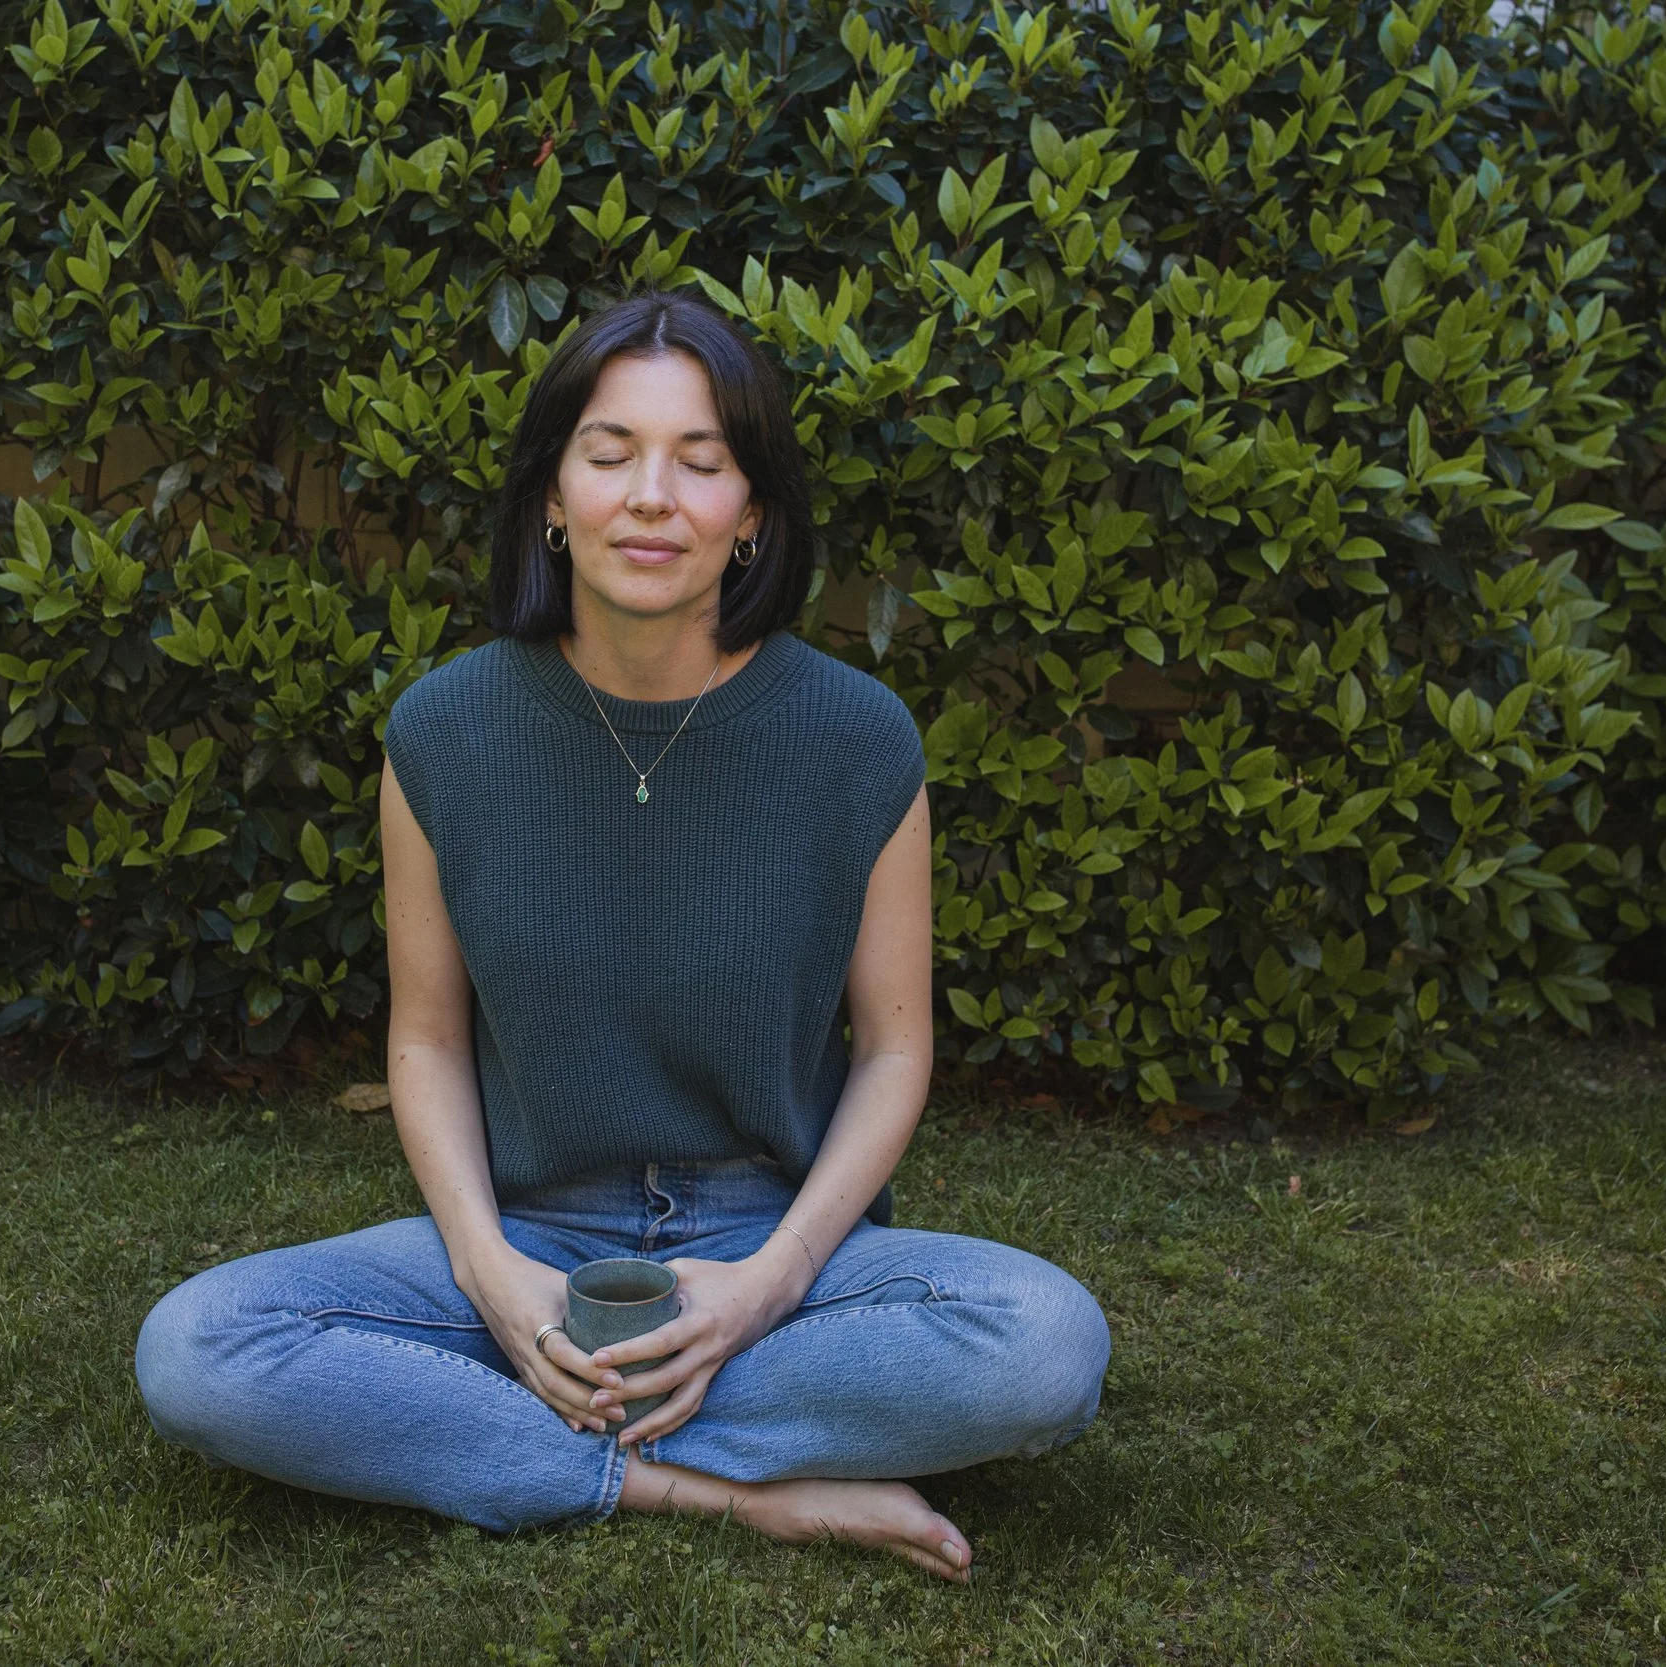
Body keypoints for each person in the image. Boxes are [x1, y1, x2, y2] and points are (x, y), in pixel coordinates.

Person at [133, 290, 1111, 1582]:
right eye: (611, 453)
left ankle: (532, 1424)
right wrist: (491, 1278)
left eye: (702, 462)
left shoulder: (860, 738)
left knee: (1045, 1341)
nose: (653, 495)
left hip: (783, 1248)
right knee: (200, 1347)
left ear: (753, 512)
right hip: (534, 1240)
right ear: (551, 493)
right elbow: (425, 1038)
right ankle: (714, 1486)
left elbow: (891, 1050)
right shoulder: (443, 729)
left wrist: (763, 1284)